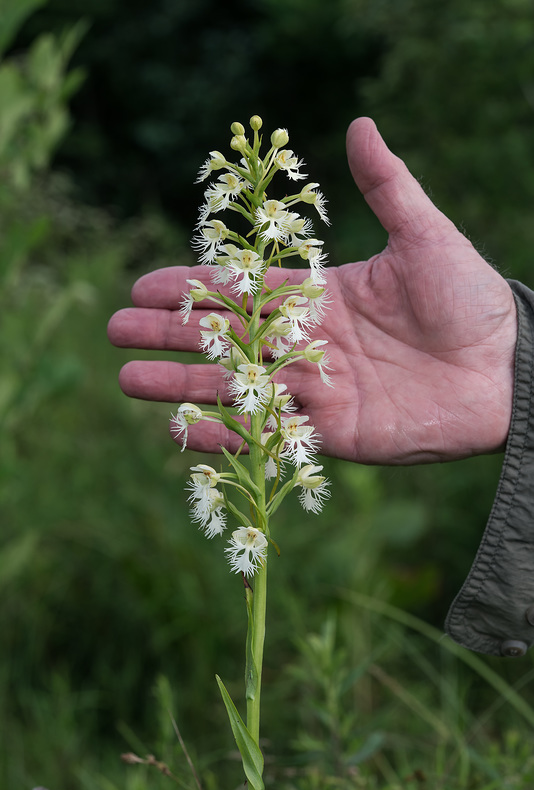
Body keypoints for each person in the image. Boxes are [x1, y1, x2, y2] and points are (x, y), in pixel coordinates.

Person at [107, 117, 534, 659]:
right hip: (256, 369)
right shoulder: (232, 237)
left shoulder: (296, 263)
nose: (242, 255)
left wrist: (505, 360)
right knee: (225, 449)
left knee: (279, 455)